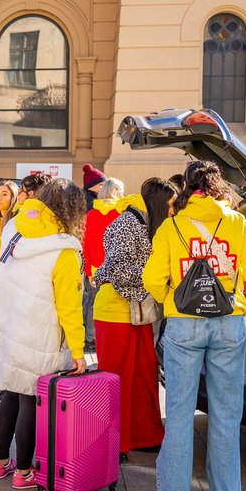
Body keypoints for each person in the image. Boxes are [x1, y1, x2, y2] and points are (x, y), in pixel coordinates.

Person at [142, 160, 246, 491]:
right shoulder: (237, 222)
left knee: (180, 409)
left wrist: (172, 295)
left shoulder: (172, 226)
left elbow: (152, 278)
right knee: (227, 412)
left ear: (187, 187)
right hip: (229, 320)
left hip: (184, 322)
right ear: (218, 187)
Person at [0, 178, 86, 490]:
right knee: (29, 399)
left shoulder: (13, 229)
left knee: (10, 392)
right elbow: (69, 308)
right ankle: (23, 472)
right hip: (38, 332)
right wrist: (78, 352)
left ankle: (0, 462)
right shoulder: (65, 250)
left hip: (8, 324)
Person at [93, 178, 174, 460]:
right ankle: (115, 443)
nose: (173, 211)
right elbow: (118, 271)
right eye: (171, 205)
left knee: (143, 377)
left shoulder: (136, 220)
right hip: (116, 312)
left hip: (134, 311)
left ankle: (144, 436)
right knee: (118, 381)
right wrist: (155, 282)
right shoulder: (129, 223)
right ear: (159, 204)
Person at [0, 172, 50, 408]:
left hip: (16, 294)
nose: (0, 198)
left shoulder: (20, 219)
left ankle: (7, 389)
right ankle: (7, 389)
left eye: (9, 193)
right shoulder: (12, 220)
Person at [82, 176, 124, 354]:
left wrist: (89, 270)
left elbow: (86, 245)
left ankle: (91, 338)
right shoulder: (122, 213)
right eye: (121, 190)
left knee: (93, 304)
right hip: (118, 269)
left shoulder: (90, 214)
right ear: (115, 191)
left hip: (95, 269)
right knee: (117, 305)